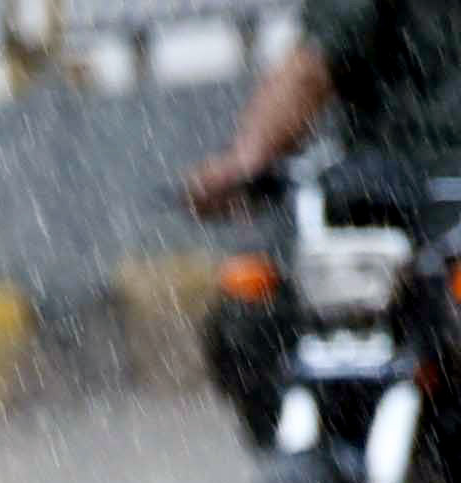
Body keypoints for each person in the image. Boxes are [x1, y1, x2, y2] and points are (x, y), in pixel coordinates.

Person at [188, 1, 461, 450]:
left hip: (415, 216)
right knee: (250, 309)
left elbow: (309, 71)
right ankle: (312, 459)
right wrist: (245, 162)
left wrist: (244, 160)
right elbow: (311, 68)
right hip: (379, 204)